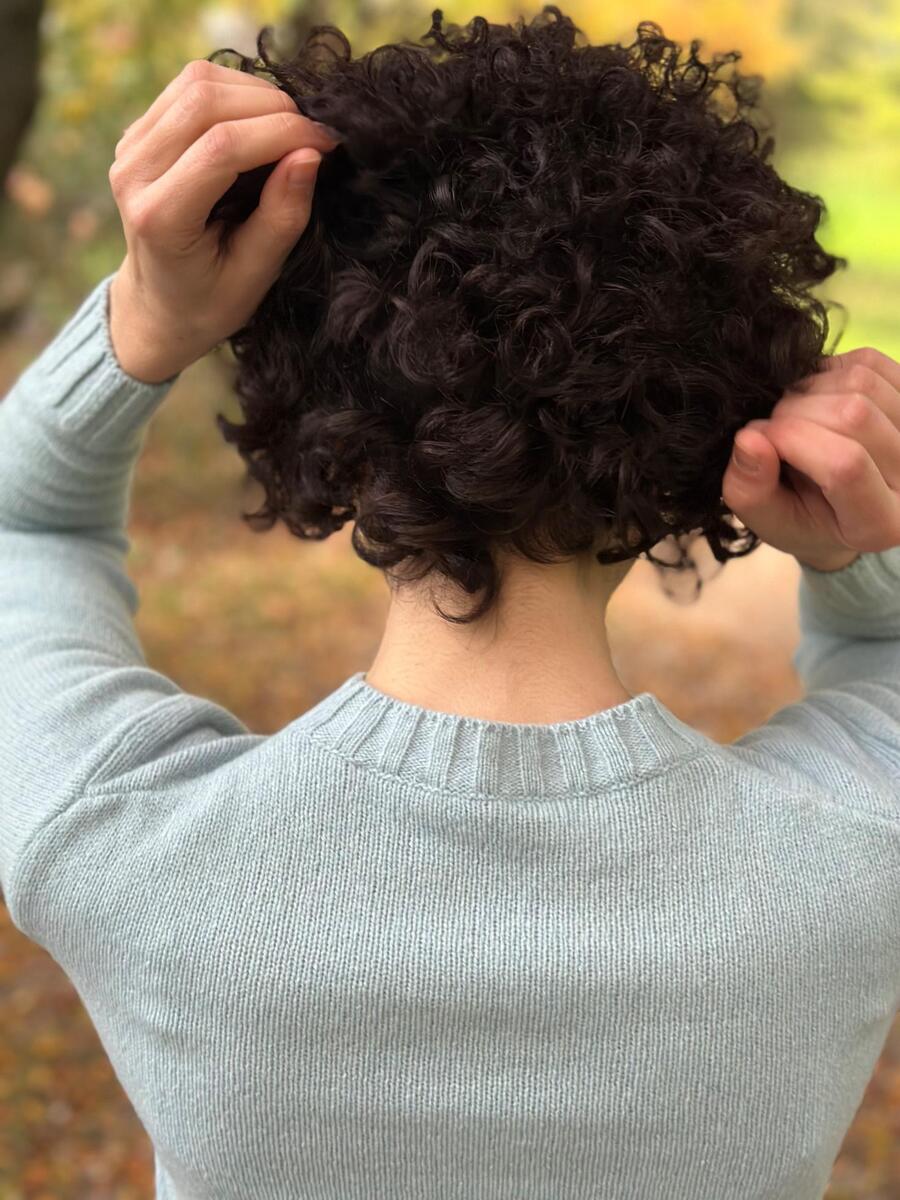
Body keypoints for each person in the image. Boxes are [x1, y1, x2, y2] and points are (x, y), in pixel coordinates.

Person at [0, 9, 898, 1199]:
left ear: (319, 410)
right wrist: (860, 562)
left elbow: (23, 525)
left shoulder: (116, 841)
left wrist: (146, 318)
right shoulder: (856, 862)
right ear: (699, 437)